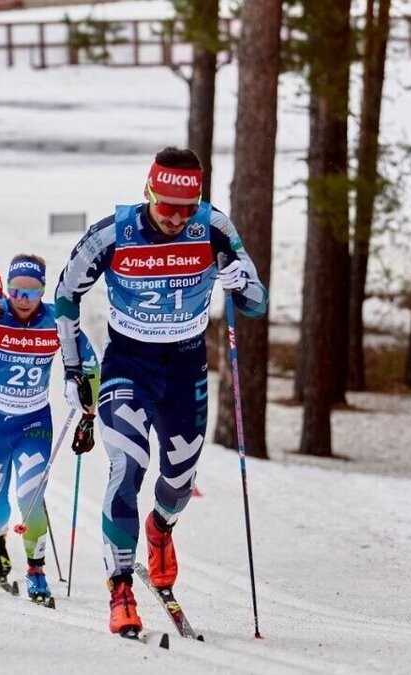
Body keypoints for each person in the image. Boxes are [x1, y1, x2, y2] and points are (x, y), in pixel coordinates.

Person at [53, 147, 268, 636]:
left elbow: (257, 302)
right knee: (127, 464)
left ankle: (160, 529)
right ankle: (121, 587)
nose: (176, 218)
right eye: (167, 205)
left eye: (187, 208)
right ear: (148, 192)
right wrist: (72, 367)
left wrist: (241, 282)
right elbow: (65, 297)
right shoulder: (112, 234)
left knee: (178, 481)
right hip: (128, 363)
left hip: (185, 365)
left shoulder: (214, 228)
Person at [0, 254, 98, 605]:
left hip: (33, 422)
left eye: (32, 294)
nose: (23, 300)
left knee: (30, 498)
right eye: (16, 292)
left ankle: (36, 570)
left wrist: (86, 408)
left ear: (43, 292)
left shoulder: (56, 322)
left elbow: (90, 363)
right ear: (8, 289)